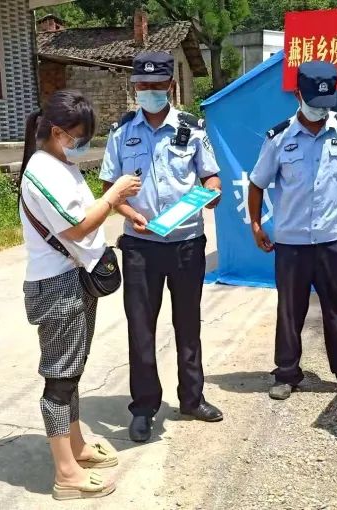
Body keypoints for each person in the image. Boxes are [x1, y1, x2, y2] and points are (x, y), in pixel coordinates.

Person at [20, 90, 141, 500]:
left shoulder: (60, 164)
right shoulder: (42, 171)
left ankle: (76, 446)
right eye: (79, 136)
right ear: (57, 132)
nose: (83, 144)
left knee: (72, 373)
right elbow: (77, 227)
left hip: (74, 279)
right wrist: (113, 196)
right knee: (59, 382)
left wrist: (112, 202)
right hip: (57, 287)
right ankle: (66, 474)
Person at [99, 51, 223, 443]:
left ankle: (192, 398)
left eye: (156, 85)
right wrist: (128, 212)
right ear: (134, 86)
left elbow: (211, 178)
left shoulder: (192, 129)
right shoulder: (121, 133)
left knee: (188, 324)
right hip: (140, 246)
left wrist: (210, 195)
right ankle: (144, 407)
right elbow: (109, 188)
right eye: (143, 85)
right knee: (141, 329)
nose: (149, 91)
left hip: (186, 243)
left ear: (170, 85)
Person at [248, 60, 337, 401]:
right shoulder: (279, 138)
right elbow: (257, 183)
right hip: (292, 243)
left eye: (326, 103)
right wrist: (257, 224)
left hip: (336, 240)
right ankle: (287, 373)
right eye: (314, 102)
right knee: (290, 311)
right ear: (297, 95)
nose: (321, 110)